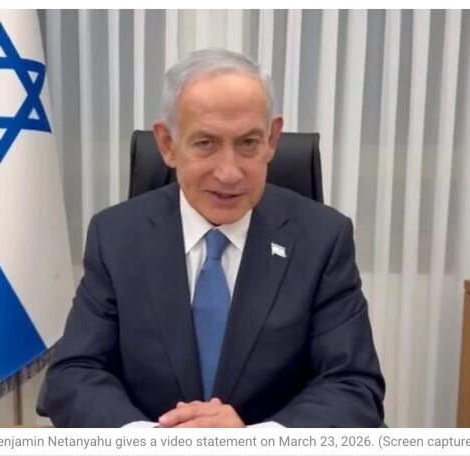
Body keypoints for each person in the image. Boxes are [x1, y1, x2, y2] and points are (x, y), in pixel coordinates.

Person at [43, 48, 385, 428]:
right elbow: (73, 374)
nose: (229, 173)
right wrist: (148, 440)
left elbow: (353, 386)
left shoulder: (322, 240)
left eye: (248, 143)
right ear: (168, 144)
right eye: (206, 143)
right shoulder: (116, 236)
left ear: (272, 139)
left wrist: (253, 442)